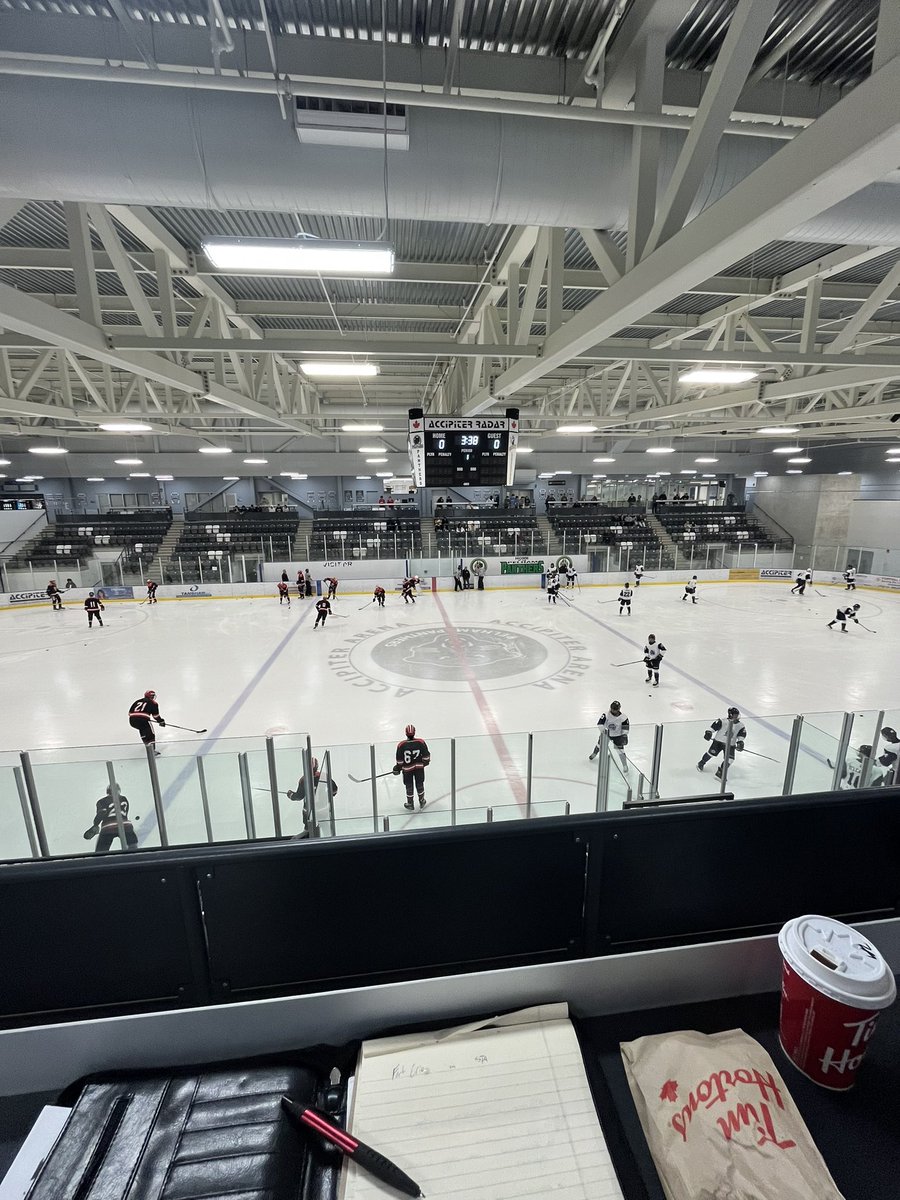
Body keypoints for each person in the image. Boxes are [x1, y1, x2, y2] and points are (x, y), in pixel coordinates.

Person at [287, 756, 338, 839]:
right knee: (327, 832)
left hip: (308, 812)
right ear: (317, 766)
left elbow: (299, 796)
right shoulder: (324, 776)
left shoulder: (304, 779)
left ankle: (297, 840)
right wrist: (326, 795)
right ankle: (331, 846)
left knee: (308, 831)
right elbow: (334, 790)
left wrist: (290, 794)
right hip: (323, 810)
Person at [83, 785, 138, 853]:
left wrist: (95, 824)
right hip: (125, 825)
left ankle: (102, 860)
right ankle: (134, 858)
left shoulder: (102, 801)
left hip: (108, 827)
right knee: (133, 845)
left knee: (101, 850)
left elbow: (101, 813)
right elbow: (125, 813)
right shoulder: (124, 799)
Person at [697, 707, 747, 779]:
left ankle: (721, 772)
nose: (736, 717)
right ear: (730, 715)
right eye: (735, 715)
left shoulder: (741, 725)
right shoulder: (722, 721)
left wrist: (740, 742)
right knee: (710, 754)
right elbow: (714, 727)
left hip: (730, 745)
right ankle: (701, 763)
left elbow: (741, 734)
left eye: (737, 715)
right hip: (718, 742)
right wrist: (709, 732)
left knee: (730, 759)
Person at [393, 723, 430, 810]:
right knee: (419, 783)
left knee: (409, 785)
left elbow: (400, 761)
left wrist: (398, 768)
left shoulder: (401, 745)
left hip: (407, 770)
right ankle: (421, 800)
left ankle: (410, 803)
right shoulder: (421, 742)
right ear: (414, 732)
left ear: (405, 733)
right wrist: (424, 763)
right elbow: (426, 757)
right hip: (419, 768)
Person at [589, 701, 629, 767]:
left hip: (618, 736)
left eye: (614, 709)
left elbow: (625, 728)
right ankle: (594, 753)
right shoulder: (606, 714)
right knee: (599, 745)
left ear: (618, 709)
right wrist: (603, 731)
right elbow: (600, 724)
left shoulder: (623, 717)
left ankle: (625, 765)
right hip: (606, 734)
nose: (612, 710)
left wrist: (624, 735)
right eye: (612, 708)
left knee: (620, 751)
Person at [128, 689, 165, 755]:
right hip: (143, 720)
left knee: (142, 731)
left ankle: (147, 746)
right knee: (151, 734)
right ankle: (152, 751)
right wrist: (161, 721)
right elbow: (156, 716)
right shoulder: (153, 703)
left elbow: (129, 713)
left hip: (132, 720)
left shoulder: (137, 701)